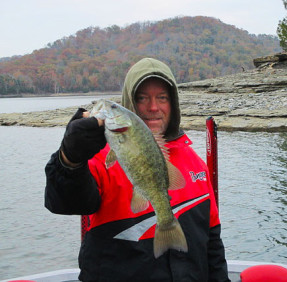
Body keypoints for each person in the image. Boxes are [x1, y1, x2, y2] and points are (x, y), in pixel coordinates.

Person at [44, 58, 230, 282]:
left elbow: (213, 245)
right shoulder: (100, 158)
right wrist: (70, 158)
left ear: (173, 104)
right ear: (130, 104)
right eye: (142, 98)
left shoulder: (195, 163)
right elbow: (63, 202)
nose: (153, 107)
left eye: (162, 97)